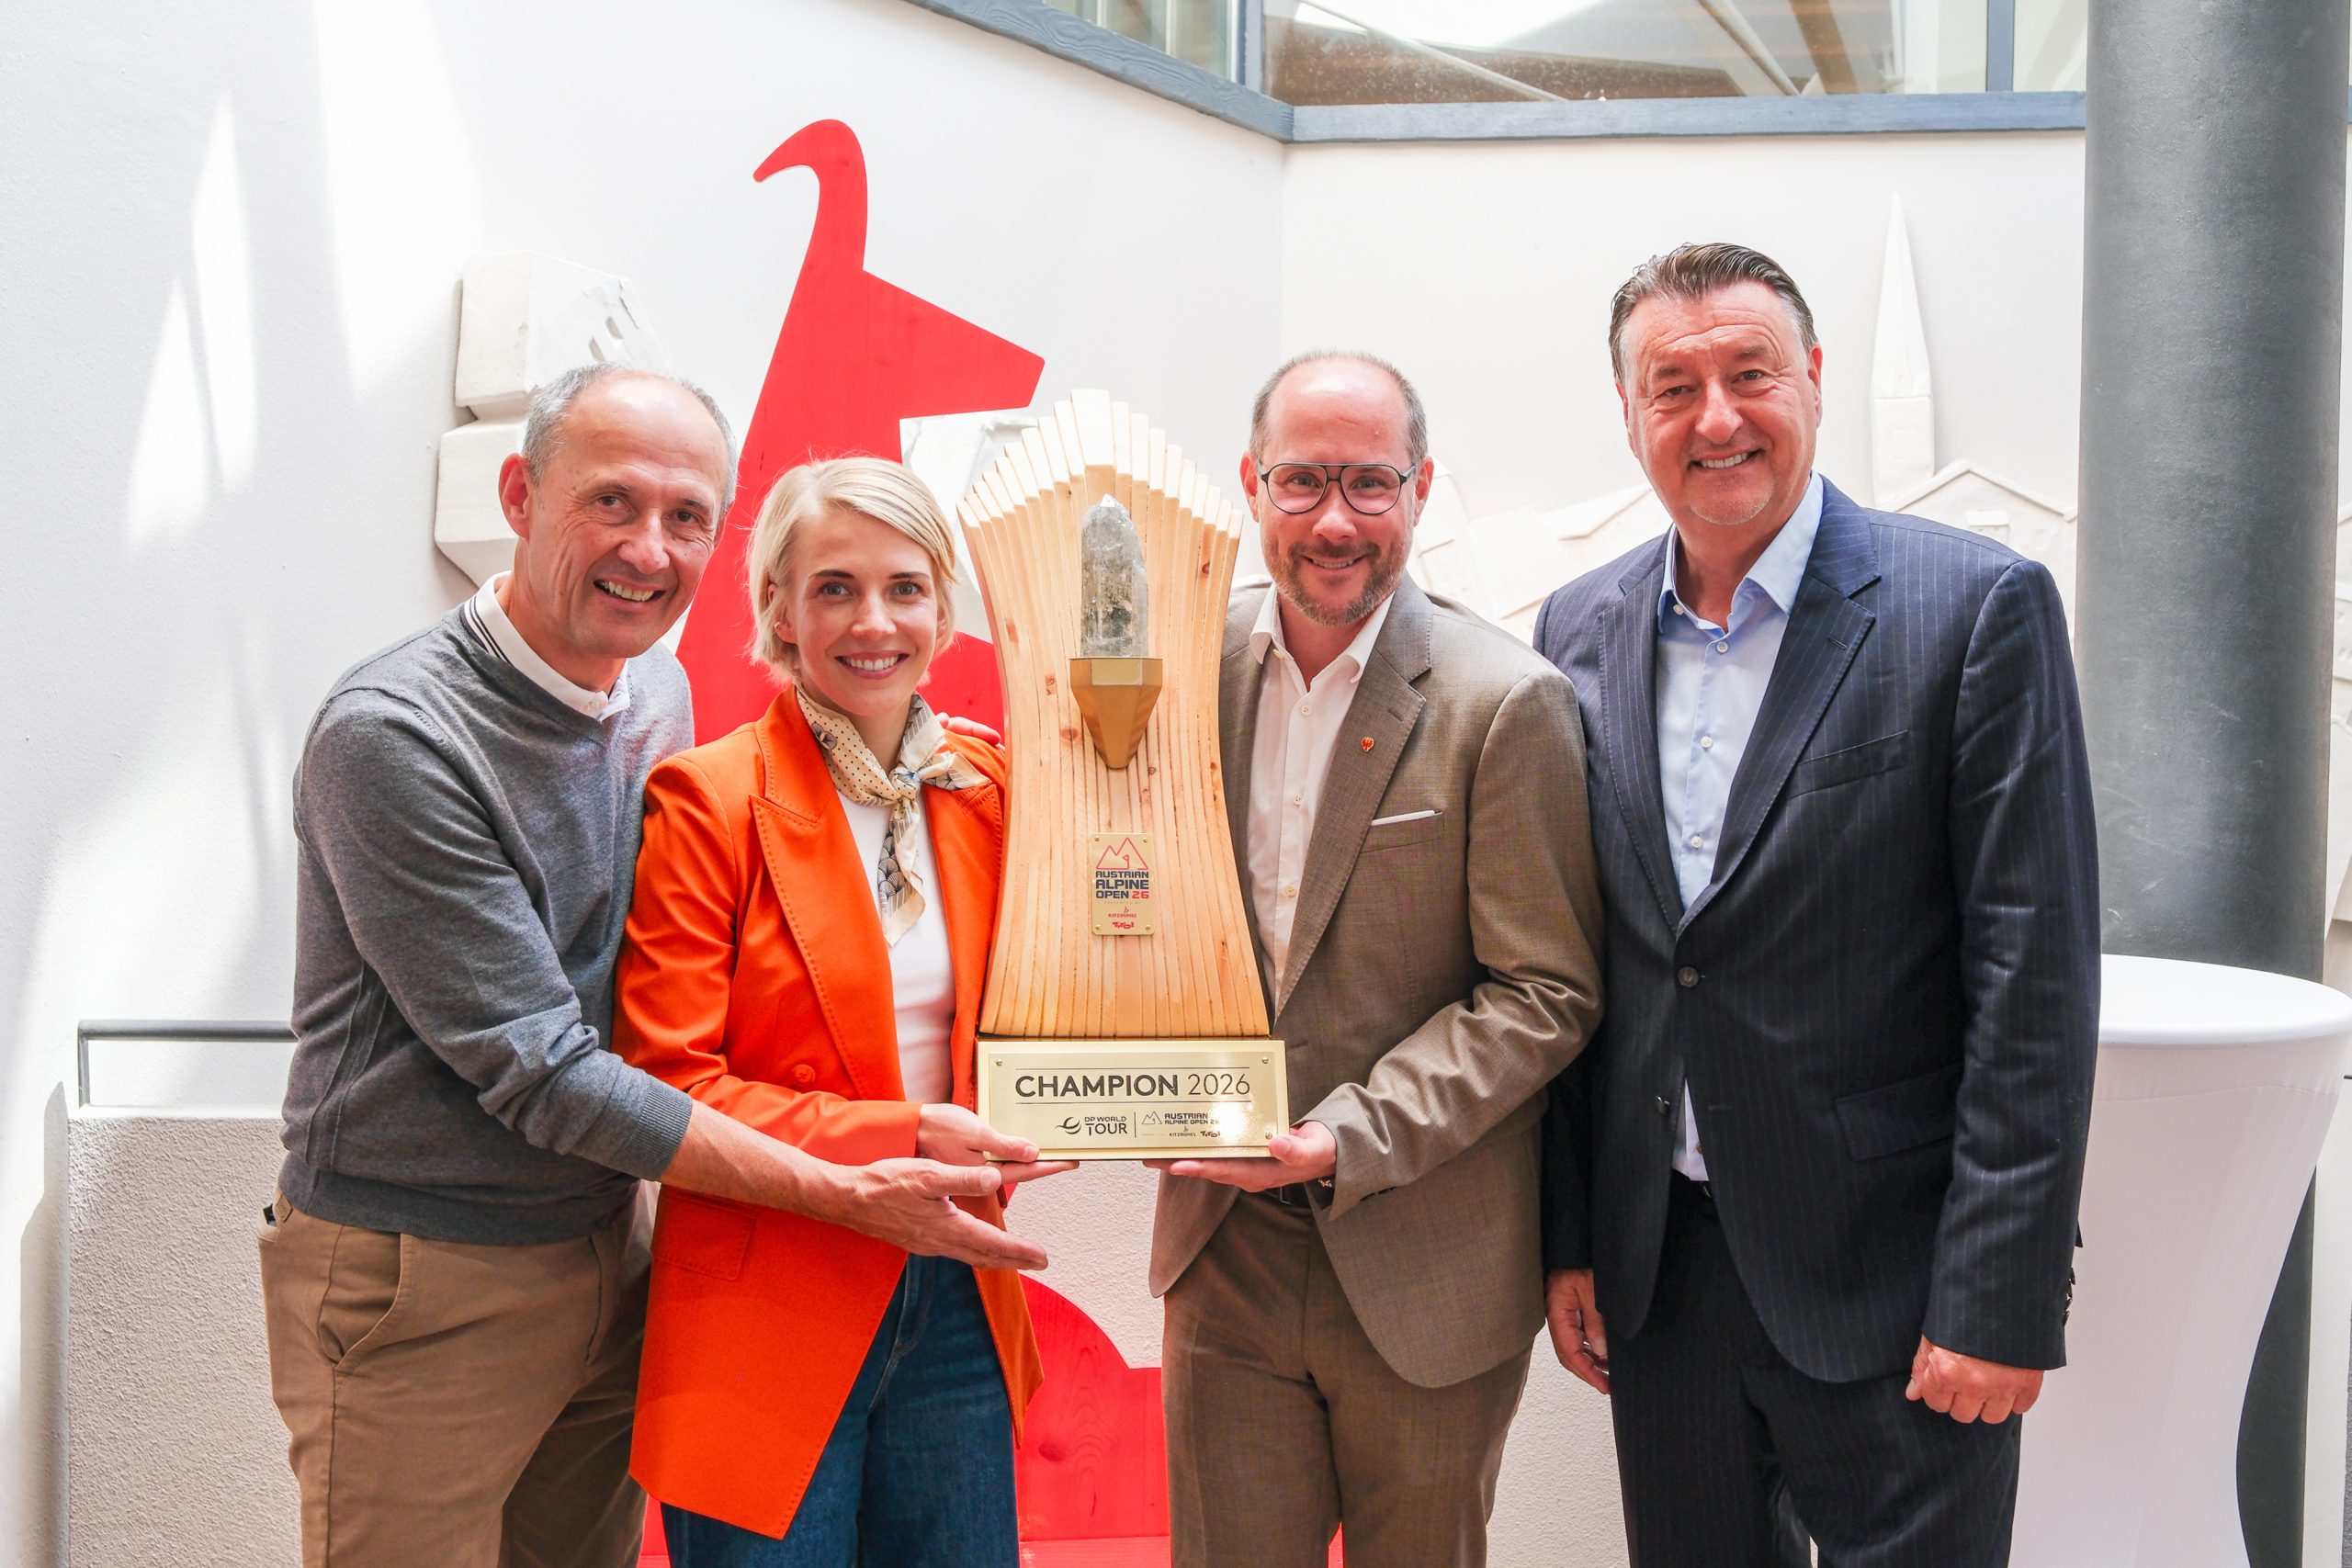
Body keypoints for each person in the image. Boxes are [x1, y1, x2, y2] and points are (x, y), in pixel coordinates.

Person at [261, 367, 1046, 1568]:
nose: (648, 548)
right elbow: (551, 1070)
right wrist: (855, 1176)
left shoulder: (654, 691)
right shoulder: (397, 733)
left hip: (606, 1237)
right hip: (427, 1262)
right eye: (611, 501)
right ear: (519, 495)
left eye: (686, 516)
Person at [1534, 243, 2098, 1565]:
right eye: (1673, 386)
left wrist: (1998, 1295)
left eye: (1751, 373)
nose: (1716, 417)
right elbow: (1579, 957)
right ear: (1627, 412)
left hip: (1898, 1292)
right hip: (1663, 1281)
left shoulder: (1973, 606)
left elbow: (2034, 979)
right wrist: (1572, 1236)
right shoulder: (1574, 629)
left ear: (1816, 380)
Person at [1147, 353, 1606, 1568]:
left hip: (1428, 1263)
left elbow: (1544, 994)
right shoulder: (1172, 673)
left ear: (1421, 487)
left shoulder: (1507, 701)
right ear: (1252, 482)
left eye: (1370, 482)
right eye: (1302, 481)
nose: (1335, 521)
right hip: (1224, 1254)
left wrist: (1343, 1135)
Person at [612, 457, 1069, 1565]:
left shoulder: (991, 789)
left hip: (954, 1291)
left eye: (904, 588)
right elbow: (666, 1083)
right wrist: (903, 1135)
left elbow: (1078, 988)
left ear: (944, 611)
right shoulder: (707, 799)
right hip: (767, 1299)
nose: (874, 622)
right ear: (778, 608)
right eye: (834, 588)